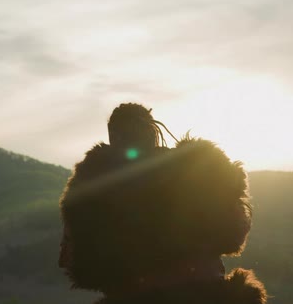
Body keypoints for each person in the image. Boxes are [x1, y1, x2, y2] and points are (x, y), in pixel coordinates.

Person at [59, 103, 266, 304]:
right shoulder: (196, 167)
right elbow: (235, 231)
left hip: (135, 295)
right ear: (151, 129)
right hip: (210, 291)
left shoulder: (93, 181)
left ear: (113, 134)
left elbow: (76, 259)